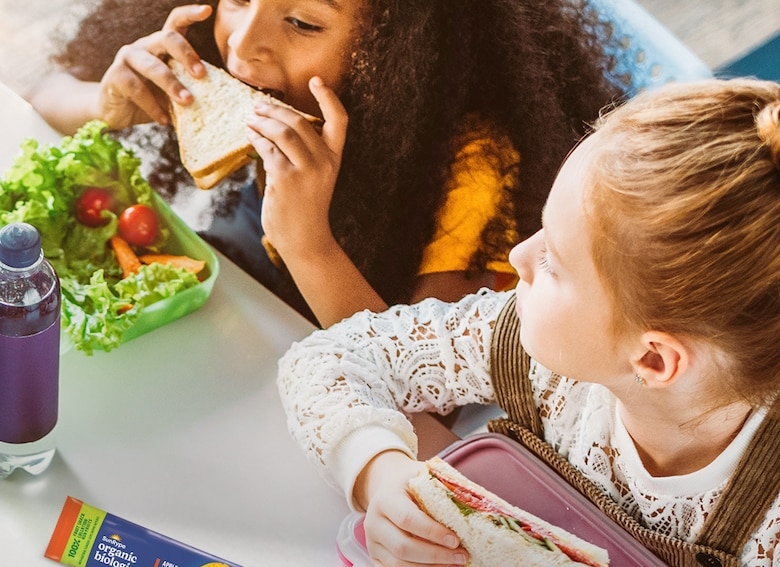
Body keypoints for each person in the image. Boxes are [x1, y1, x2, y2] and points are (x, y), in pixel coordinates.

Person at [276, 77, 780, 567]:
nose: (518, 256)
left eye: (551, 258)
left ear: (654, 360)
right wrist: (379, 473)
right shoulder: (537, 349)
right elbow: (332, 358)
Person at [27, 0, 618, 326]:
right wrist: (104, 105)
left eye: (303, 22)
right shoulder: (211, 36)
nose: (242, 44)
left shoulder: (477, 168)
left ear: (397, 47)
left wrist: (308, 243)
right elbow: (42, 93)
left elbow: (423, 394)